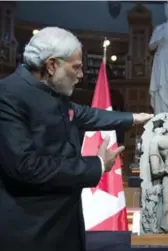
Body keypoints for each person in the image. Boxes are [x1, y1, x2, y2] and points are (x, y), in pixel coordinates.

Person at [0, 27, 153, 251]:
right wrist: (97, 166)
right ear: (52, 65)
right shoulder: (7, 96)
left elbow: (85, 114)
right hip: (32, 231)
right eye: (76, 67)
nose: (81, 75)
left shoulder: (49, 90)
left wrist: (134, 118)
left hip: (66, 226)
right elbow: (26, 166)